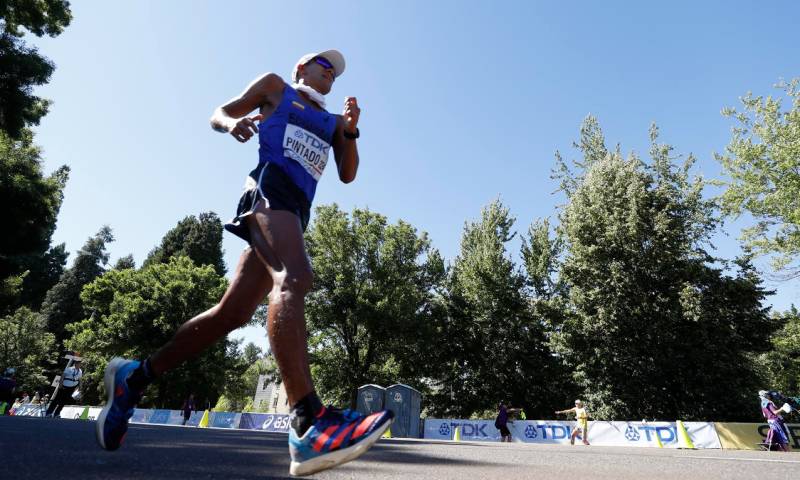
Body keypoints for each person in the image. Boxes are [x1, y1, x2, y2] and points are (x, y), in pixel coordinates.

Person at [94, 50, 393, 476]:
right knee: (293, 278)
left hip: (295, 212)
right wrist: (231, 123)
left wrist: (351, 131)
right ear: (300, 69)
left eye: (334, 72)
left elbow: (347, 174)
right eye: (321, 65)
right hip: (268, 192)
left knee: (230, 314)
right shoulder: (276, 87)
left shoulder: (330, 122)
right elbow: (220, 111)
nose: (328, 73)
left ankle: (134, 378)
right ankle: (308, 420)